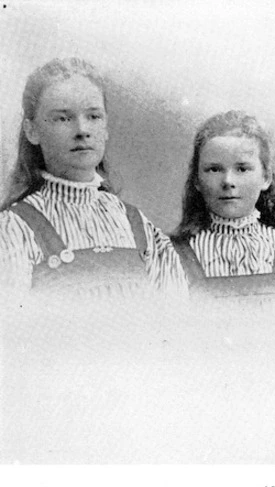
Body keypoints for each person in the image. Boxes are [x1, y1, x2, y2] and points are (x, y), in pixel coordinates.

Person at [0, 57, 186, 309]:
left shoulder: (138, 226)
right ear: (32, 131)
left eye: (93, 116)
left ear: (106, 127)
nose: (82, 130)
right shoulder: (14, 230)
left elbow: (176, 324)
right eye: (62, 119)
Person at [171, 110, 275, 312]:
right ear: (196, 180)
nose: (228, 181)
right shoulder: (171, 256)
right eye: (214, 169)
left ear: (266, 178)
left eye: (242, 169)